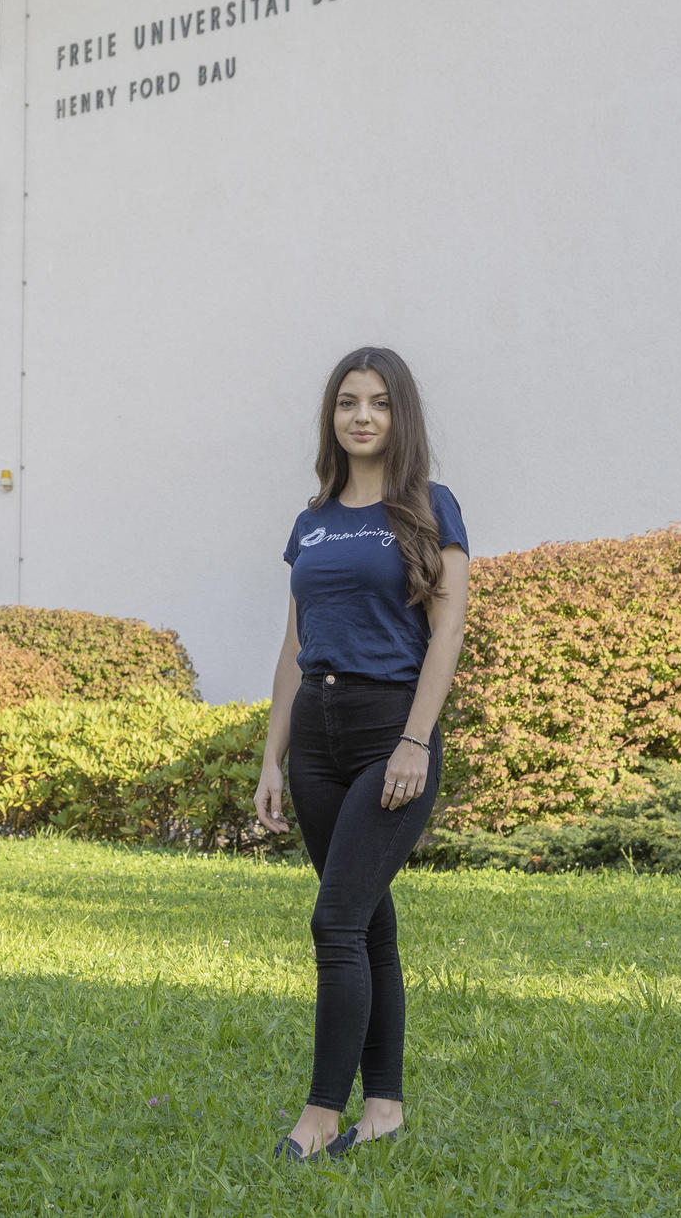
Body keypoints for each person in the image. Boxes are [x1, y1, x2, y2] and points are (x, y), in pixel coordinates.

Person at [253, 346, 469, 1161]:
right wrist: (273, 758)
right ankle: (384, 1105)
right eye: (349, 402)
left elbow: (447, 631)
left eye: (379, 402)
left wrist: (416, 738)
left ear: (398, 414)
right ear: (332, 417)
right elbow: (292, 644)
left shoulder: (430, 507)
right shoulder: (310, 521)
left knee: (334, 919)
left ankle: (320, 1111)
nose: (363, 415)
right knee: (369, 920)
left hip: (390, 729)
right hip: (316, 734)